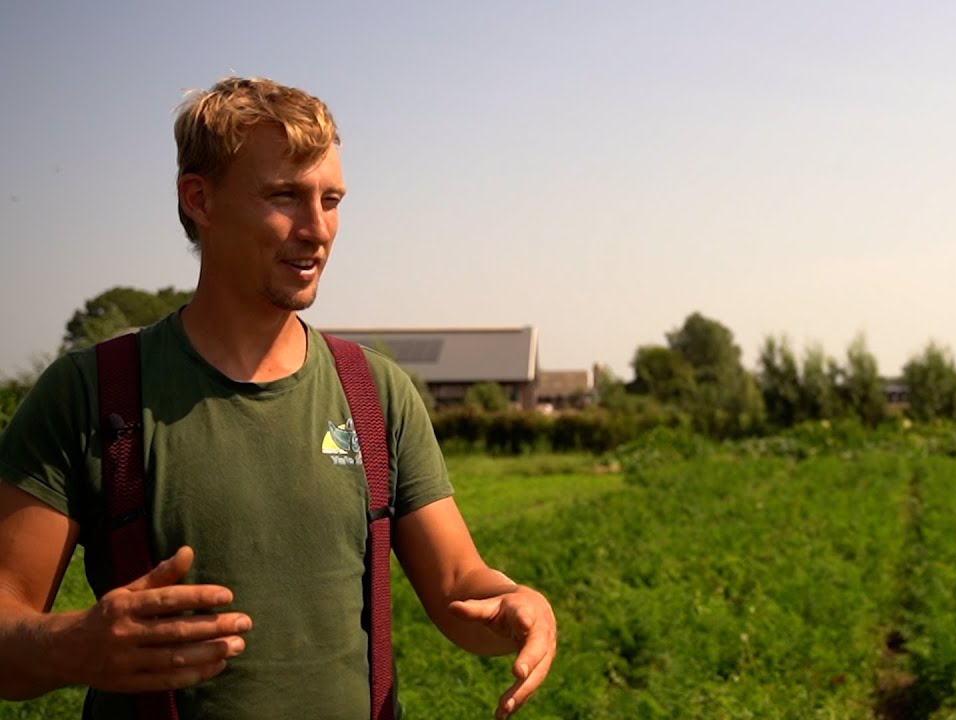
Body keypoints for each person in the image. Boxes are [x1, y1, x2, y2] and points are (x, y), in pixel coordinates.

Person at [0, 76, 556, 719]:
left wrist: (516, 603)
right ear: (199, 199)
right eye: (285, 196)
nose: (317, 230)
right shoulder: (91, 392)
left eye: (332, 199)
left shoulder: (374, 393)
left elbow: (461, 587)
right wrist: (72, 646)